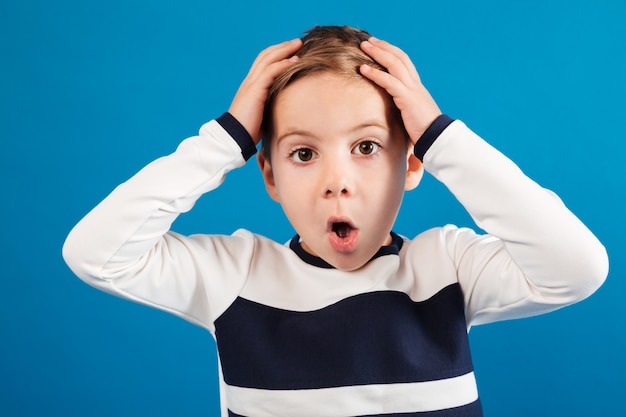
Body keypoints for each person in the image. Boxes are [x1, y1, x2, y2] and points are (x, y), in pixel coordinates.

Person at [62, 25, 608, 417]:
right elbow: (95, 253)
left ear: (412, 162)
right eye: (304, 154)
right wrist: (225, 138)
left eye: (367, 146)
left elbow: (578, 268)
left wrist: (440, 136)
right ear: (270, 178)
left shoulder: (448, 267)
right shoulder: (235, 278)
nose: (336, 181)